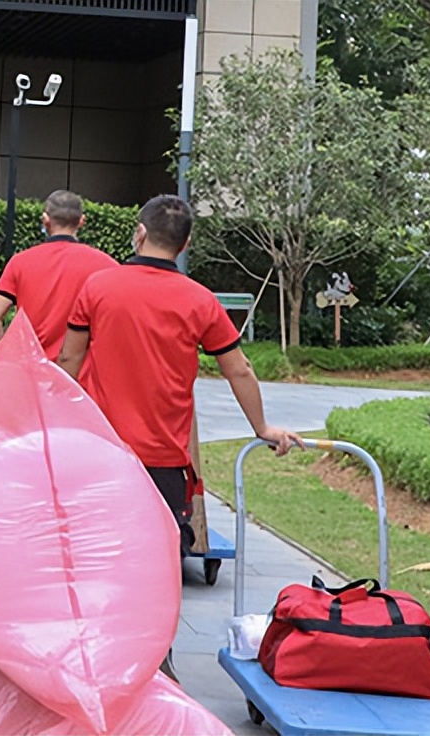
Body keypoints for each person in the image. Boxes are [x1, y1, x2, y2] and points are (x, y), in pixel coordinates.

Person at [56, 194, 304, 683]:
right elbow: (239, 368)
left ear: (139, 233)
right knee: (160, 564)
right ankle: (156, 660)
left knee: (96, 556)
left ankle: (92, 658)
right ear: (186, 243)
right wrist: (262, 428)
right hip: (164, 460)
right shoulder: (199, 300)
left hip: (100, 453)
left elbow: (68, 361)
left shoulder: (99, 286)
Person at [0, 190, 117, 359]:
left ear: (45, 220)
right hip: (77, 376)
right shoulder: (106, 265)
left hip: (31, 371)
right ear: (81, 221)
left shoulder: (20, 262)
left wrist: (6, 359)